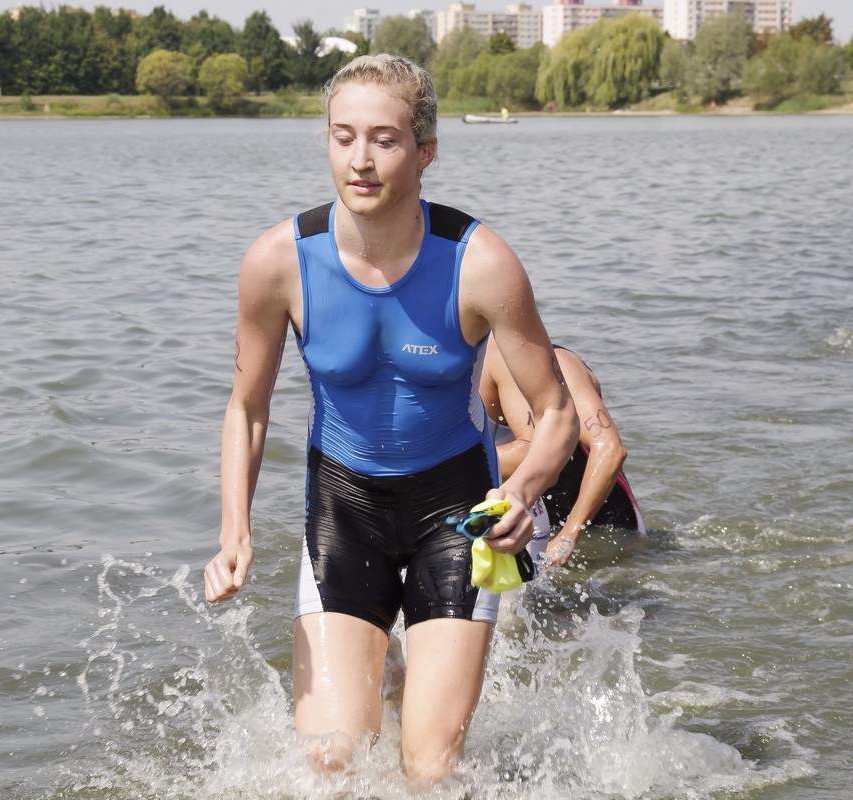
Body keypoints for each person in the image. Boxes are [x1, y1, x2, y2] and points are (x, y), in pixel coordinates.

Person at [201, 54, 578, 785]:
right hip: (344, 506)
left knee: (429, 770)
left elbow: (558, 413)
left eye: (385, 139)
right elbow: (247, 409)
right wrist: (235, 531)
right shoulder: (279, 262)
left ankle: (421, 674)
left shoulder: (480, 264)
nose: (361, 161)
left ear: (425, 150)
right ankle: (393, 662)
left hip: (456, 512)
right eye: (343, 137)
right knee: (330, 762)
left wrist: (522, 491)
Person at [480, 338, 644, 569]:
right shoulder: (490, 362)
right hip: (542, 509)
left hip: (603, 521)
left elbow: (610, 449)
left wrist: (569, 534)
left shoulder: (562, 366)